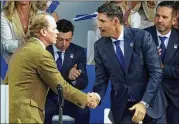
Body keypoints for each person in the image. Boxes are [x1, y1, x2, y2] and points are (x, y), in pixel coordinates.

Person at [4, 13, 99, 123]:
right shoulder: (40, 53)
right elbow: (60, 86)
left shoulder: (22, 49)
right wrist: (87, 99)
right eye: (54, 29)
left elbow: (7, 81)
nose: (57, 32)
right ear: (44, 32)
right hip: (28, 115)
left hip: (14, 113)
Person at [93, 2, 167, 124]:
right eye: (98, 21)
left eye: (102, 21)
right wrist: (97, 96)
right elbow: (101, 78)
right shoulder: (99, 46)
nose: (98, 25)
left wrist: (144, 103)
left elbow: (156, 72)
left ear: (115, 21)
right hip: (123, 108)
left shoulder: (142, 37)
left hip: (151, 105)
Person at [45, 19, 90, 124]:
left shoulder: (78, 52)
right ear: (55, 34)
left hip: (70, 99)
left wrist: (74, 80)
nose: (64, 44)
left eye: (68, 40)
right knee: (43, 112)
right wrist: (67, 76)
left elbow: (84, 83)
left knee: (84, 111)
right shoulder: (45, 50)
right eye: (60, 39)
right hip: (48, 97)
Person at [145, 1, 179, 124]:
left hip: (174, 100)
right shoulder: (143, 36)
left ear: (174, 20)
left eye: (164, 17)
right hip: (149, 99)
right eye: (157, 16)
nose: (159, 20)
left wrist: (161, 67)